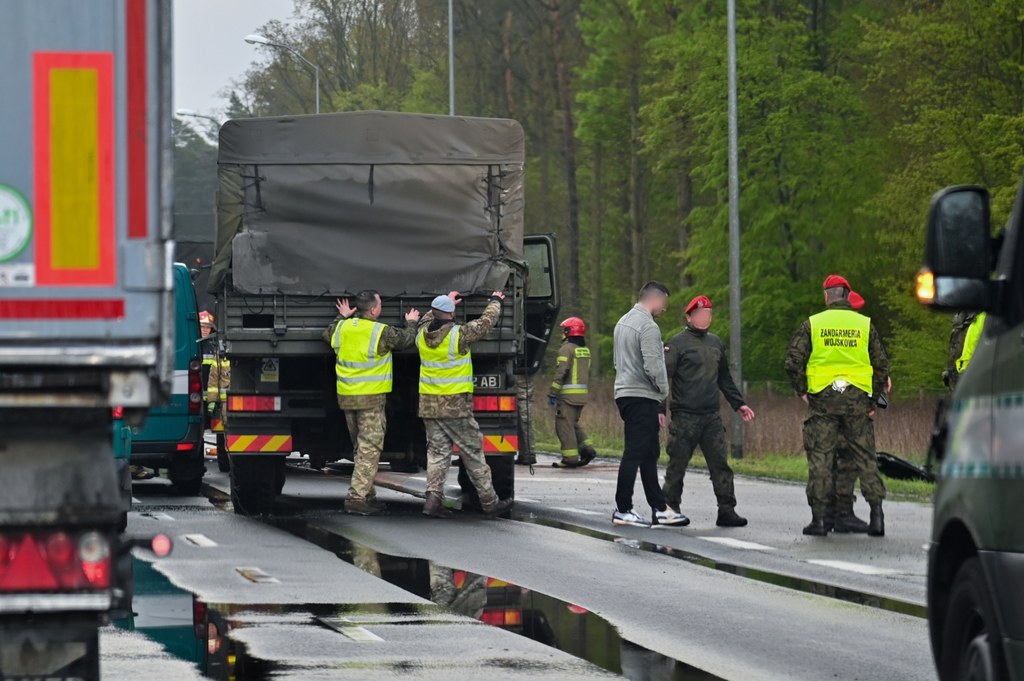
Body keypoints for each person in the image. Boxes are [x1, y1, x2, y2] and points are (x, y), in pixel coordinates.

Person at [785, 275, 889, 537]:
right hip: (857, 402)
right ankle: (877, 517)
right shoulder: (865, 324)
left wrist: (802, 391)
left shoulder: (814, 324)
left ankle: (820, 521)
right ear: (846, 295)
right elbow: (881, 365)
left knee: (821, 459)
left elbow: (792, 361)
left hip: (823, 401)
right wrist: (873, 397)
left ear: (826, 296)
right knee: (865, 458)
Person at [417, 290, 514, 519]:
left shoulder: (420, 334)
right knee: (472, 452)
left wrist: (444, 302)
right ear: (451, 313)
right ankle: (490, 502)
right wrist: (495, 301)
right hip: (455, 405)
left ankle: (432, 500)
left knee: (437, 453)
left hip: (429, 405)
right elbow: (486, 323)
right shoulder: (458, 335)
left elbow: (426, 319)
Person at [322, 289, 420, 516]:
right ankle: (356, 498)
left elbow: (327, 335)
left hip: (347, 397)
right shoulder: (380, 332)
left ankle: (368, 495)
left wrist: (342, 316)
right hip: (371, 399)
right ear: (374, 309)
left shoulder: (342, 328)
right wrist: (412, 322)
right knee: (370, 449)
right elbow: (406, 341)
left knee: (361, 448)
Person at [661, 295, 754, 528]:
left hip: (711, 417)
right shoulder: (677, 344)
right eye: (700, 314)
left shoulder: (715, 343)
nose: (705, 318)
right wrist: (659, 408)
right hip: (685, 417)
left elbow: (724, 378)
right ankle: (670, 508)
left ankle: (727, 510)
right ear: (689, 317)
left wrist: (738, 403)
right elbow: (663, 378)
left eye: (708, 314)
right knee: (677, 465)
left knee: (720, 464)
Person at [611, 281, 690, 528]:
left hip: (625, 392)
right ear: (654, 299)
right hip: (642, 395)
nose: (664, 309)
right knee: (634, 453)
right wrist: (664, 392)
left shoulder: (623, 322)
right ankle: (623, 509)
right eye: (664, 303)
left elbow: (617, 361)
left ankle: (659, 508)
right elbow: (654, 366)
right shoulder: (648, 326)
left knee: (648, 453)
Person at [549, 316, 597, 468]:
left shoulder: (566, 349)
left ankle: (570, 459)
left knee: (564, 426)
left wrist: (553, 392)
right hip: (581, 396)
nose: (562, 333)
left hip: (568, 397)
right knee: (573, 424)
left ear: (569, 331)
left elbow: (562, 372)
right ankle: (587, 449)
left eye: (564, 330)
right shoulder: (584, 350)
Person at [514, 374, 537, 466]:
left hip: (522, 384)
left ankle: (529, 454)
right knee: (521, 423)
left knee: (525, 421)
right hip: (520, 383)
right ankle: (524, 454)